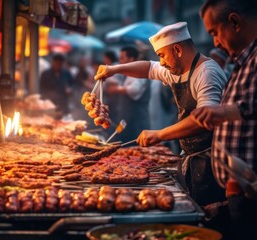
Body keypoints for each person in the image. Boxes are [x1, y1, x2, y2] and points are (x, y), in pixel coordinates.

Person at [95, 22, 228, 217]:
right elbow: (148, 68)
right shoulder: (178, 69)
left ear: (177, 50)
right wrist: (114, 69)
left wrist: (160, 134)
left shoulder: (207, 73)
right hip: (193, 158)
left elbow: (204, 119)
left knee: (209, 217)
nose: (162, 62)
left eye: (162, 55)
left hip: (213, 161)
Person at [191, 0, 257, 239]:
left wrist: (226, 112)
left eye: (214, 33)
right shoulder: (242, 62)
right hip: (237, 191)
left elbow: (242, 108)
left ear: (234, 22)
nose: (215, 43)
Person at [106, 46, 150, 144]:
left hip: (136, 122)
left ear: (131, 59)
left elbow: (134, 90)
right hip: (126, 120)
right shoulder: (127, 74)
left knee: (136, 151)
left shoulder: (139, 73)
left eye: (122, 58)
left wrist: (116, 89)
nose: (119, 61)